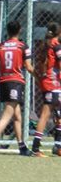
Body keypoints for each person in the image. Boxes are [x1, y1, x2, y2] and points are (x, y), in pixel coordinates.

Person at [0, 20, 34, 156]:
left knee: (17, 116)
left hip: (3, 82)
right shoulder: (22, 46)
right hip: (15, 82)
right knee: (7, 116)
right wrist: (39, 77)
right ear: (20, 30)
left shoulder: (0, 46)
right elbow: (28, 66)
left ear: (7, 31)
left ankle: (22, 147)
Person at [29, 22, 61, 157]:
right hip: (53, 84)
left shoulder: (44, 46)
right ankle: (36, 147)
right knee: (45, 114)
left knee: (59, 114)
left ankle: (58, 146)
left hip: (46, 84)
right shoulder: (56, 46)